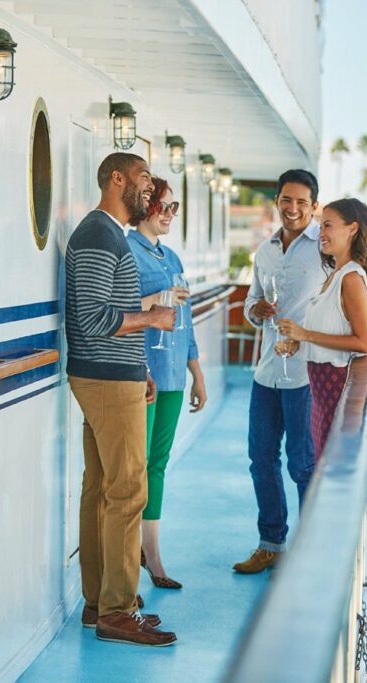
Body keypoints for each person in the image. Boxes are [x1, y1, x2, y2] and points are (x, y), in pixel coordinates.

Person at [65, 152, 178, 647]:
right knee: (128, 492)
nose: (150, 191)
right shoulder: (97, 234)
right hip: (106, 380)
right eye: (144, 179)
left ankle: (98, 604)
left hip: (117, 375)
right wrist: (153, 318)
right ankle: (117, 610)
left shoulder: (107, 234)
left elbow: (108, 311)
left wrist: (142, 368)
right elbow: (92, 318)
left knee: (103, 490)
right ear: (117, 179)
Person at [233, 169, 326, 574]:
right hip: (267, 370)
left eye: (302, 203)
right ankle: (271, 544)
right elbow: (252, 303)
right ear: (277, 201)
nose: (293, 209)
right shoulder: (265, 251)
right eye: (287, 200)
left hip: (306, 373)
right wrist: (256, 311)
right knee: (261, 458)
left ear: (314, 207)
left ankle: (309, 550)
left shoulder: (327, 246)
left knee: (302, 463)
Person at [126, 177, 207, 590]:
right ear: (145, 207)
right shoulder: (127, 251)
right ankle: (132, 554)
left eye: (175, 208)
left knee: (157, 465)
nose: (169, 214)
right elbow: (119, 311)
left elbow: (187, 321)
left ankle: (152, 552)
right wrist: (158, 300)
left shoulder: (172, 257)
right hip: (144, 371)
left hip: (174, 372)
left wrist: (198, 373)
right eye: (163, 206)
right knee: (134, 467)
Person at [277, 198, 367, 462]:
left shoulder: (350, 278)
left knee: (331, 469)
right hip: (321, 394)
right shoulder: (334, 276)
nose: (321, 233)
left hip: (336, 391)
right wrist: (298, 344)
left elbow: (363, 342)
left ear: (352, 229)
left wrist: (305, 335)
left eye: (327, 226)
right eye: (320, 226)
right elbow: (333, 327)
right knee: (322, 469)